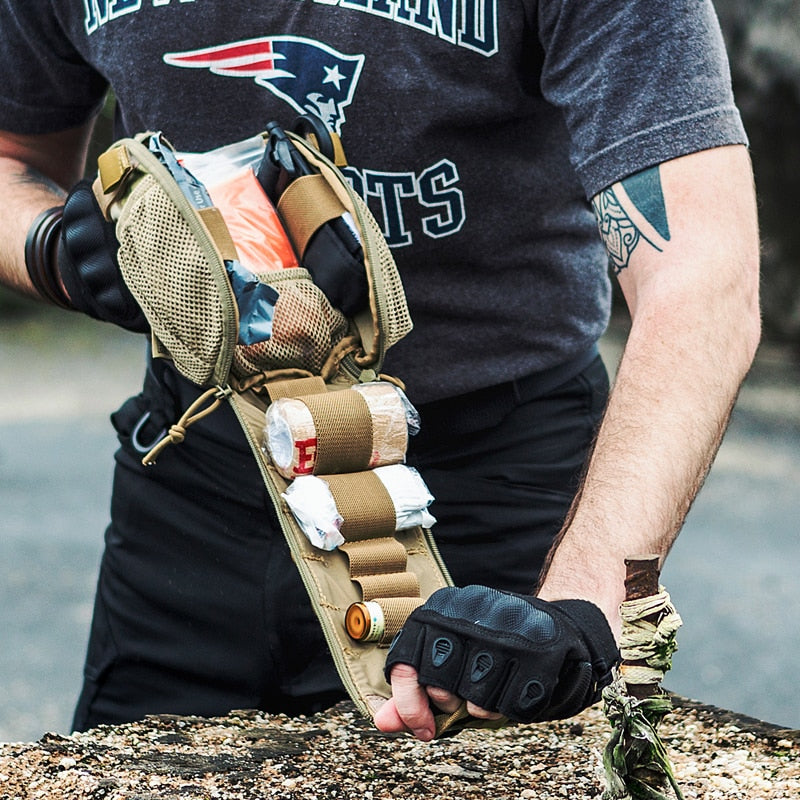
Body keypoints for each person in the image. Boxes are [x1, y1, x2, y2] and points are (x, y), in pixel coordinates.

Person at [0, 1, 760, 740]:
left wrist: (582, 606)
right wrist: (51, 249)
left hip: (492, 495)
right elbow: (14, 157)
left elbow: (701, 279)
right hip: (199, 478)